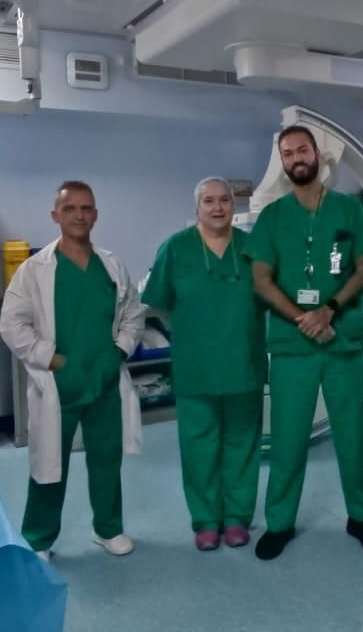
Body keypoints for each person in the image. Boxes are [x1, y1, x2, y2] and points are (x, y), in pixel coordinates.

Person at [245, 124, 363, 560]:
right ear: (283, 163)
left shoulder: (348, 212)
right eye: (287, 153)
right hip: (292, 350)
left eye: (302, 150)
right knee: (288, 439)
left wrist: (328, 309)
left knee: (351, 436)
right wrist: (301, 317)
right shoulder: (272, 217)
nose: (295, 158)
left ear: (317, 155)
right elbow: (260, 279)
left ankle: (361, 517)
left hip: (341, 342)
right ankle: (280, 523)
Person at [1, 180, 146, 561]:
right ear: (56, 216)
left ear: (96, 214)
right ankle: (39, 537)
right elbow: (11, 325)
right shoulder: (35, 270)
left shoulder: (111, 265)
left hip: (104, 381)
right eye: (70, 209)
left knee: (106, 459)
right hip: (58, 384)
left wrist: (118, 351)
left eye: (86, 208)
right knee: (49, 465)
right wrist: (48, 358)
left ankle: (108, 529)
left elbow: (133, 313)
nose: (79, 215)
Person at [141, 177, 267, 552]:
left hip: (243, 362)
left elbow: (271, 297)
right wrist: (190, 329)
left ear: (233, 205)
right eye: (209, 201)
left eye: (224, 200)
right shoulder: (176, 248)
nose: (217, 207)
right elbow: (158, 301)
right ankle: (206, 520)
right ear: (196, 207)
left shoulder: (252, 248)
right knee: (199, 445)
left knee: (242, 444)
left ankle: (236, 519)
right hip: (195, 365)